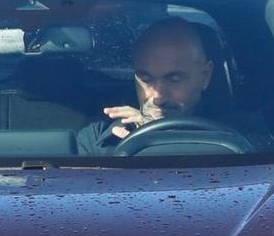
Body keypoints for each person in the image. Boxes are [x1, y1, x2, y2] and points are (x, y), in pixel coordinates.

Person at [75, 17, 222, 150]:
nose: (157, 97)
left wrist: (157, 139)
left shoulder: (237, 136)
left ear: (204, 76)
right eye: (146, 79)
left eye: (174, 79)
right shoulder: (98, 139)